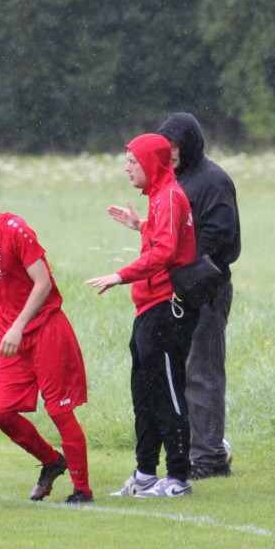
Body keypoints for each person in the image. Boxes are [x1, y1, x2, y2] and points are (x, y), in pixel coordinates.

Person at [0, 170, 93, 504]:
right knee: (0, 413)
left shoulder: (14, 229)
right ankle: (52, 461)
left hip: (45, 329)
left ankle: (82, 490)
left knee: (59, 411)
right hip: (10, 335)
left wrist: (18, 325)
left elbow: (43, 283)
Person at [86, 134, 198, 497]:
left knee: (167, 396)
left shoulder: (169, 196)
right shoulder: (161, 198)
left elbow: (165, 254)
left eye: (133, 160)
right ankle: (146, 474)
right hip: (148, 311)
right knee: (145, 398)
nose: (127, 167)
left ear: (151, 164)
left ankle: (178, 478)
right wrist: (141, 226)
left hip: (166, 311)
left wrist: (120, 275)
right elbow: (166, 239)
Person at [134, 113, 240, 479]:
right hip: (175, 292)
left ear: (191, 143)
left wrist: (180, 257)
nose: (172, 152)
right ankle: (199, 450)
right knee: (175, 373)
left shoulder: (213, 180)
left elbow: (224, 237)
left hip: (205, 290)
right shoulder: (170, 181)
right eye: (167, 146)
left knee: (203, 373)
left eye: (176, 145)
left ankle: (209, 457)